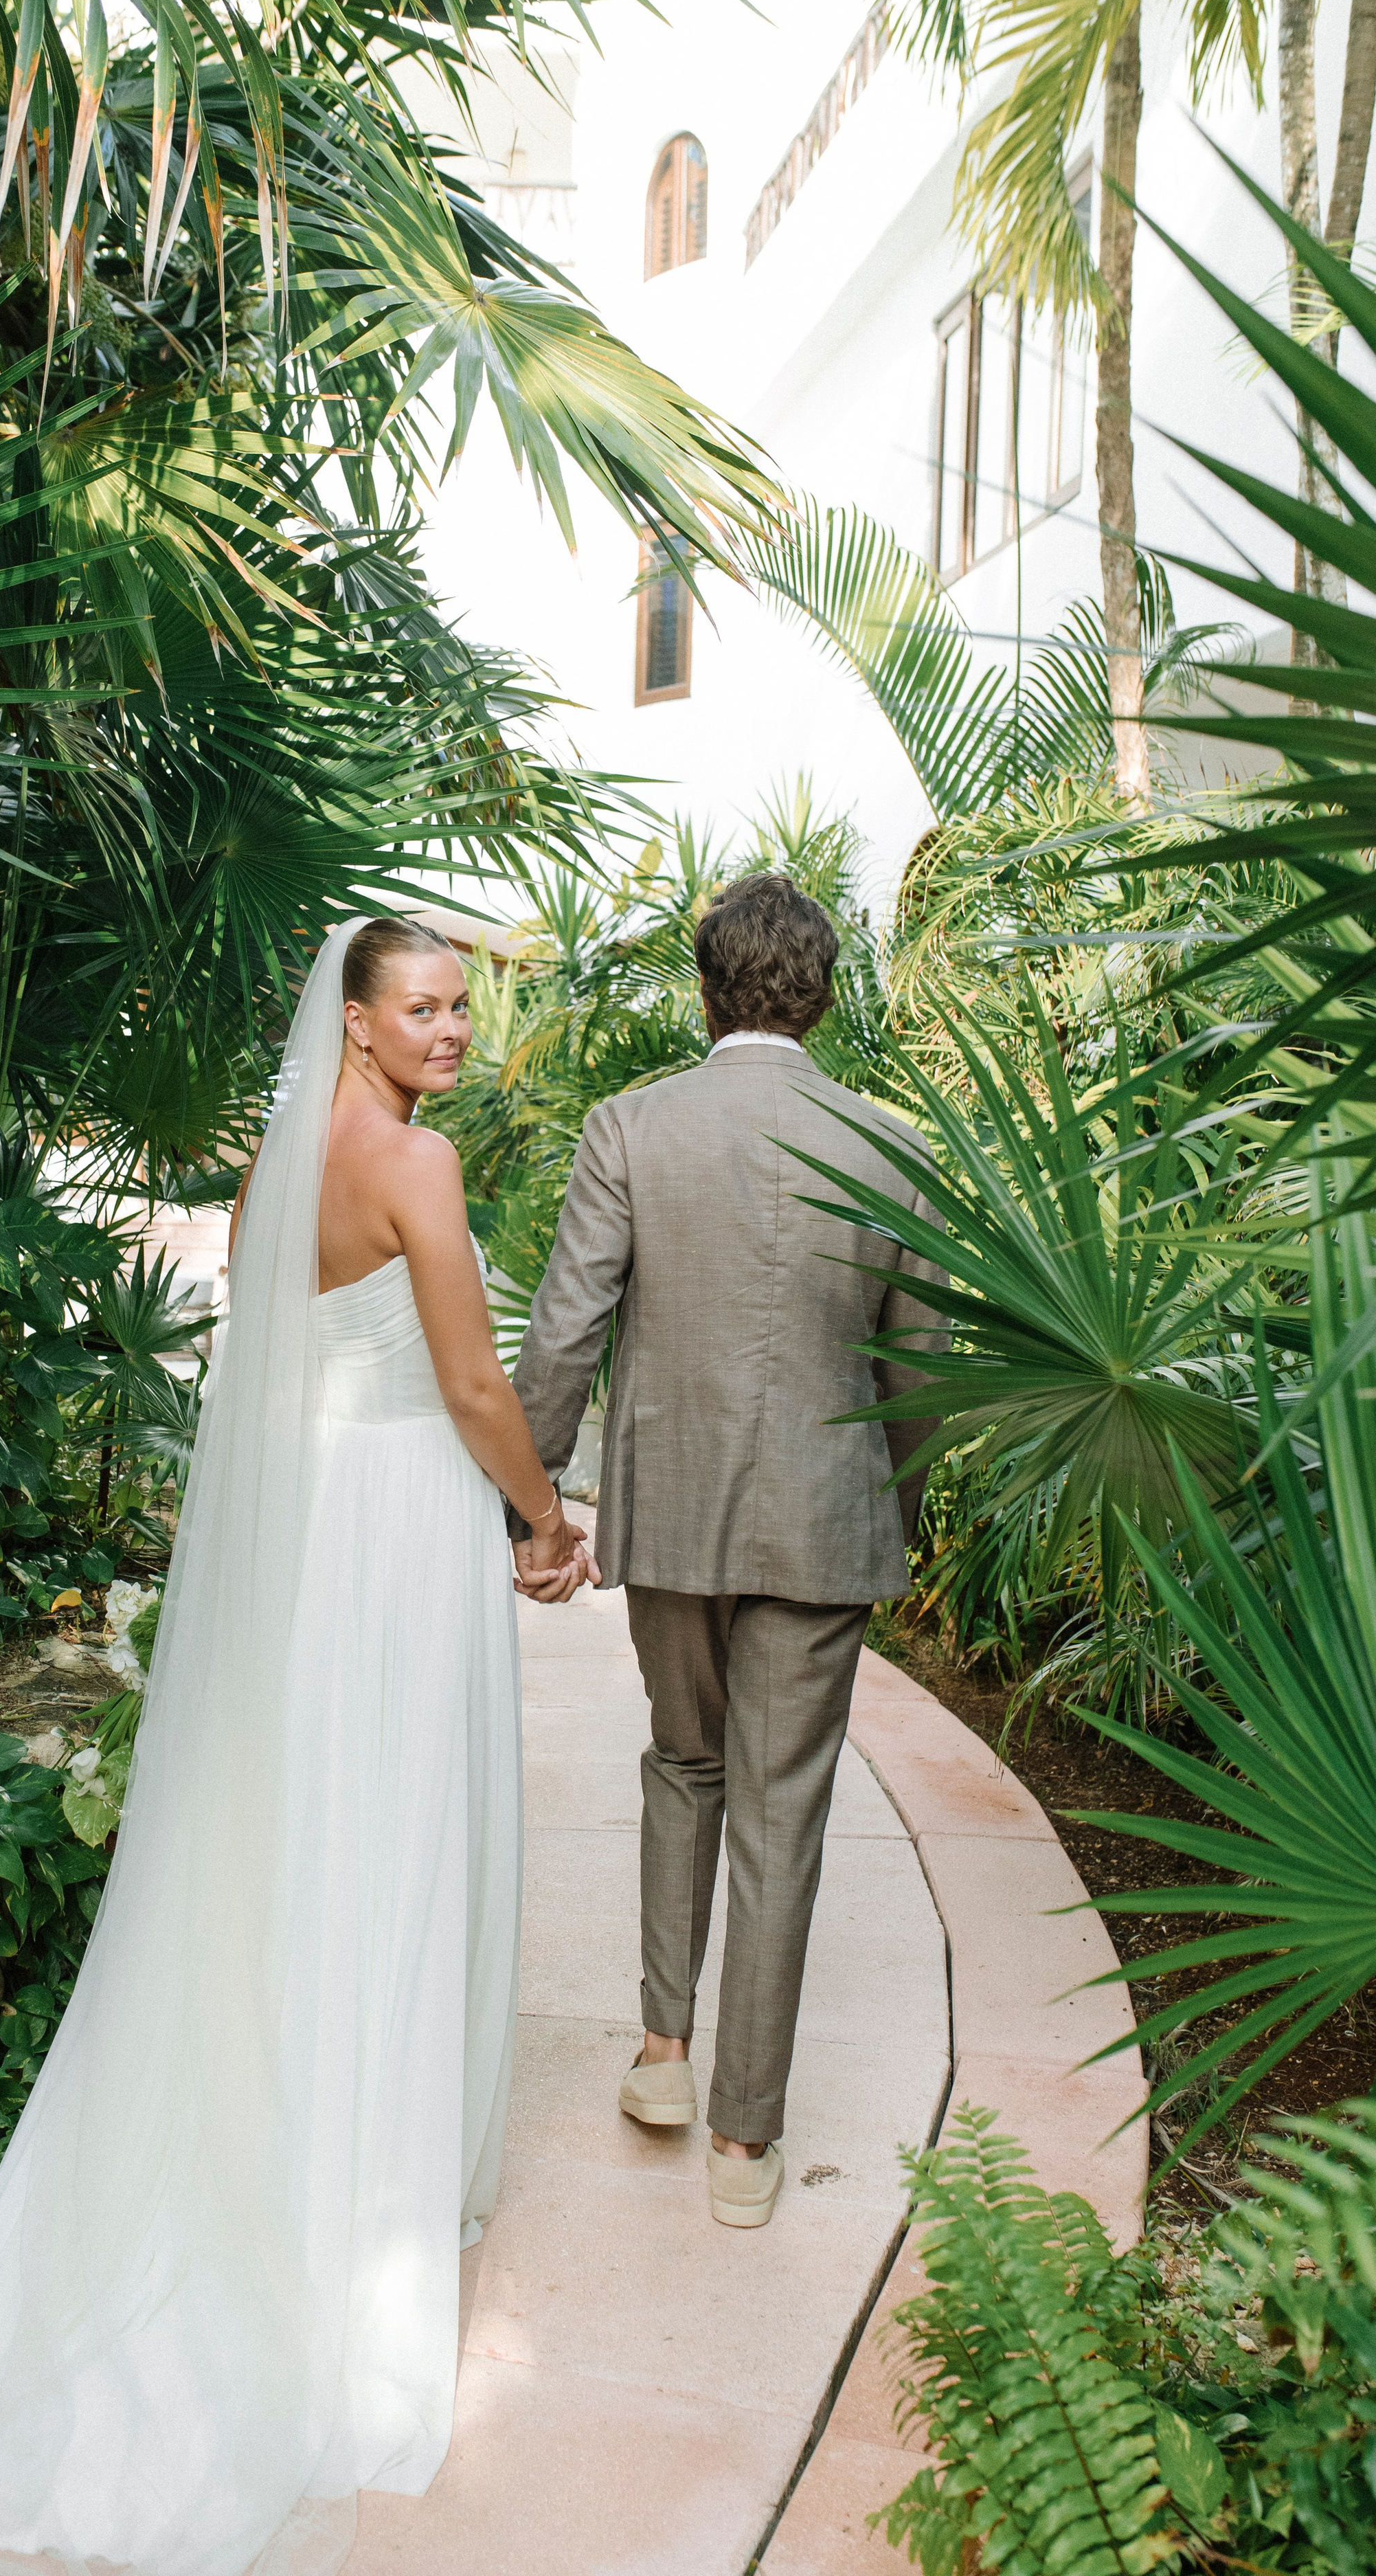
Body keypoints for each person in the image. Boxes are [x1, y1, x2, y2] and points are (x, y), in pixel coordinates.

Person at [0, 916, 589, 2576]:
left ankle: (282, 2133)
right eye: (424, 1008)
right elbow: (467, 1379)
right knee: (394, 1829)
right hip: (395, 1528)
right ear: (356, 1024)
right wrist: (543, 1513)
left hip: (310, 1540)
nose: (452, 1029)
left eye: (461, 1005)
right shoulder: (415, 1176)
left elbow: (269, 1375)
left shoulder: (274, 1169)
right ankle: (350, 2193)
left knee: (302, 1829)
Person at [509, 872, 947, 2231]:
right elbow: (917, 1372)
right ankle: (745, 2144)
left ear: (705, 992)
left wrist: (536, 1504)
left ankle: (661, 2054)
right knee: (780, 1815)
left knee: (681, 1763)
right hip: (825, 1523)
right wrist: (905, 1508)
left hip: (677, 1519)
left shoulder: (630, 1127)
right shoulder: (891, 1147)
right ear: (820, 996)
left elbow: (565, 1329)